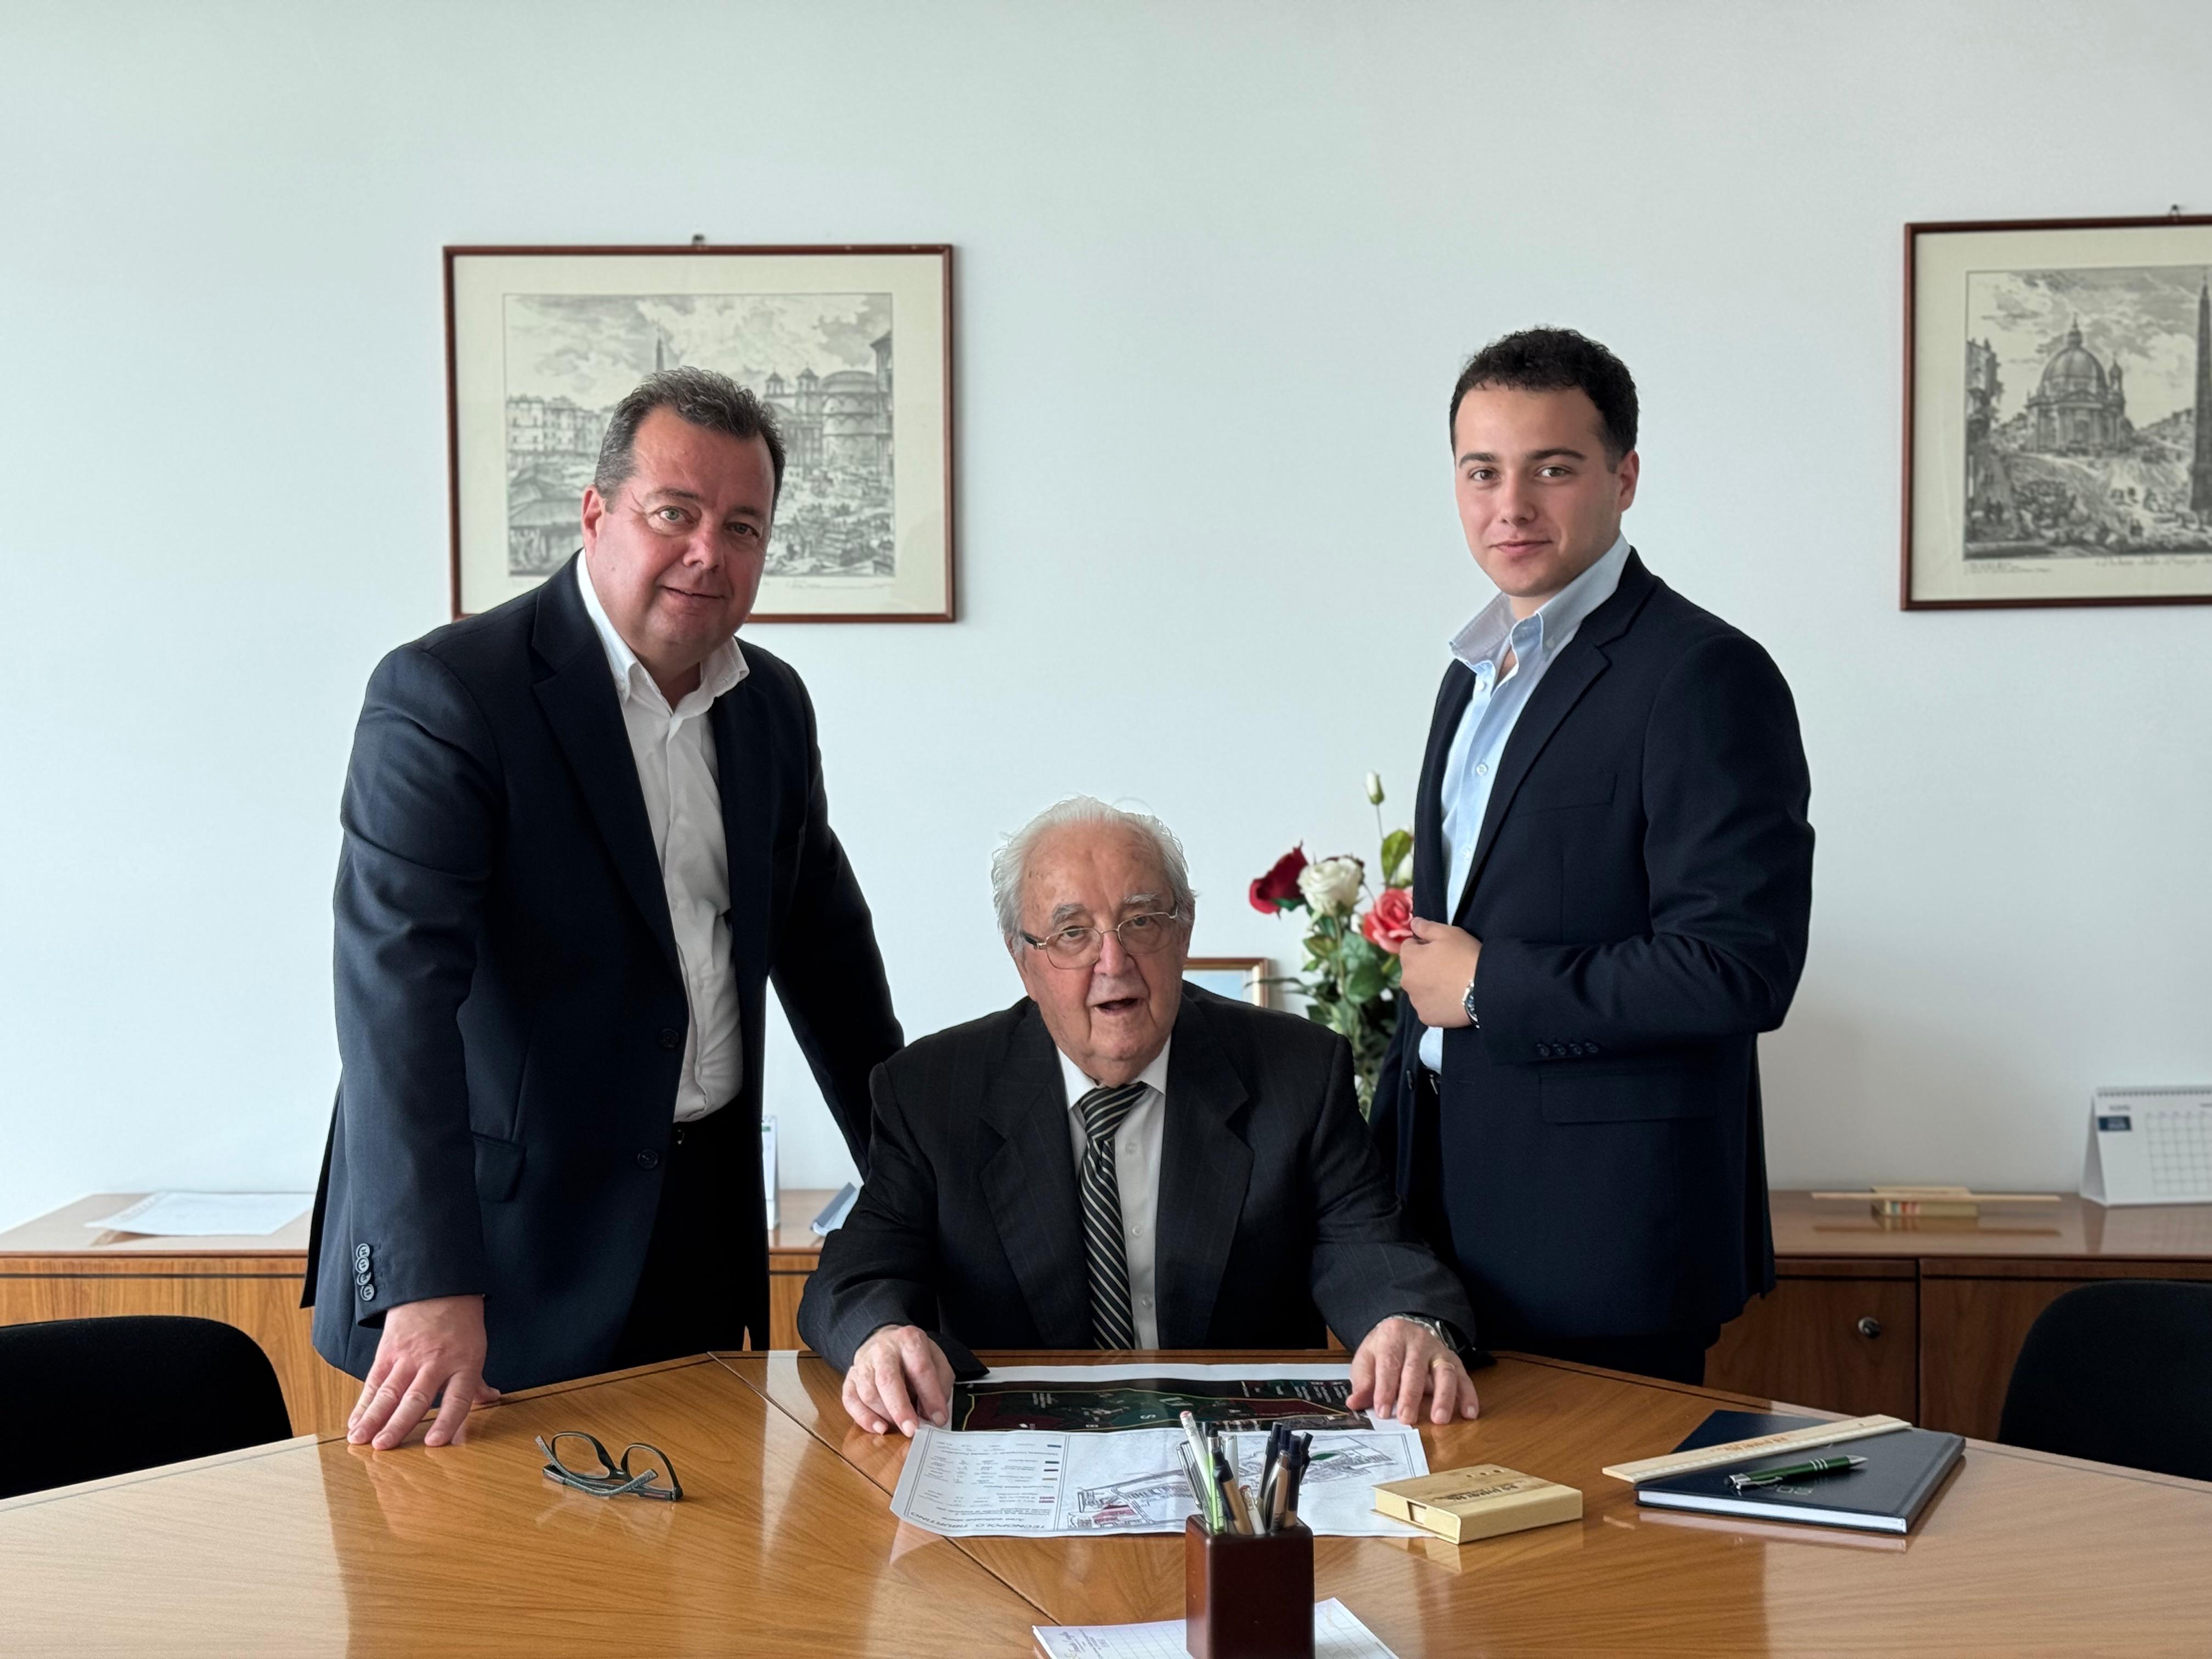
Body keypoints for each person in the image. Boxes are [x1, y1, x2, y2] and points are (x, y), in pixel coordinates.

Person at [306, 366, 901, 1448]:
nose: (708, 553)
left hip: (696, 1237)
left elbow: (829, 958)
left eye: (743, 527)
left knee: (708, 1553)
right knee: (470, 1564)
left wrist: (916, 1184)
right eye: (675, 513)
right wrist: (429, 1280)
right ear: (595, 514)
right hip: (491, 1265)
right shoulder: (448, 696)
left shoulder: (769, 706)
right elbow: (394, 999)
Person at [1375, 328, 1814, 1386]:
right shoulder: (1469, 674)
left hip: (1603, 1236)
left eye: (1552, 468)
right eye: (1482, 471)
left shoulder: (1704, 673)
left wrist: (1483, 983)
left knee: (1608, 1507)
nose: (1510, 505)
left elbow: (1738, 967)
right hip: (1439, 1211)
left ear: (1624, 477)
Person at [800, 797, 1481, 1438]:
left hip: (1240, 1460)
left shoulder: (1297, 1071)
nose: (1113, 961)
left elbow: (1371, 1249)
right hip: (1022, 1454)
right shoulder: (932, 1092)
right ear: (1022, 959)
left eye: (1143, 921)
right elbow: (853, 1279)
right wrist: (881, 1338)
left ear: (1184, 930)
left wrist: (1409, 1324)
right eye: (1072, 933)